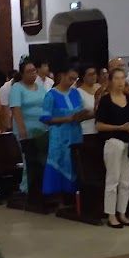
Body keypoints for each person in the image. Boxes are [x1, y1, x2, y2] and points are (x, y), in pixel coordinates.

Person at [95, 68, 129, 228]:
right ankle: (111, 214)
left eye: (123, 78)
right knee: (113, 180)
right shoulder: (106, 100)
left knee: (126, 181)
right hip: (114, 142)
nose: (121, 82)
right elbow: (99, 125)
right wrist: (121, 127)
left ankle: (122, 212)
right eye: (117, 78)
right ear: (110, 81)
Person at [38, 64, 87, 204]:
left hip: (75, 133)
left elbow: (81, 111)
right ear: (62, 76)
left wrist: (84, 115)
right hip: (59, 136)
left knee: (75, 162)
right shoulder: (51, 95)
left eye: (74, 79)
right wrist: (67, 119)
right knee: (60, 161)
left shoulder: (75, 93)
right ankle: (59, 196)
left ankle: (74, 196)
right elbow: (45, 118)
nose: (72, 82)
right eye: (70, 78)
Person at [9, 61, 49, 196]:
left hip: (41, 130)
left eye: (34, 71)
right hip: (25, 130)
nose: (33, 74)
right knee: (28, 160)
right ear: (22, 73)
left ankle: (39, 188)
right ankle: (25, 188)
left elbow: (46, 104)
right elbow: (16, 108)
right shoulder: (17, 87)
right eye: (29, 71)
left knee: (40, 159)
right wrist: (22, 129)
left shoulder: (40, 87)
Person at [76, 65, 101, 137]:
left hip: (101, 131)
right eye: (90, 74)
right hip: (86, 133)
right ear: (83, 77)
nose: (94, 76)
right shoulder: (77, 93)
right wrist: (98, 113)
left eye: (95, 73)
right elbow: (77, 117)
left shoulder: (100, 89)